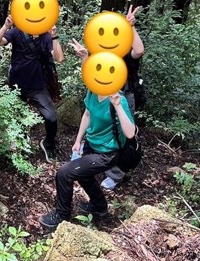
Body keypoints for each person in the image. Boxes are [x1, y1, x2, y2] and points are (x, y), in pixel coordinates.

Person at [39, 89, 135, 230]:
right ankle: (99, 205)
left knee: (64, 173)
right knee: (84, 175)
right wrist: (78, 140)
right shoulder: (93, 92)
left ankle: (62, 215)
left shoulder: (118, 98)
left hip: (107, 153)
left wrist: (118, 106)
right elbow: (87, 114)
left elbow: (130, 133)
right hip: (91, 145)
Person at [71, 5, 144, 190]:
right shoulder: (100, 52)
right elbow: (90, 74)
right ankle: (88, 158)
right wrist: (85, 57)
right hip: (100, 95)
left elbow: (139, 51)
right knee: (96, 121)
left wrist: (131, 26)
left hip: (123, 96)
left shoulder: (126, 50)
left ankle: (116, 174)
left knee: (124, 135)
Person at [0, 14, 65, 161]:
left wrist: (54, 36)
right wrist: (6, 26)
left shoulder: (46, 37)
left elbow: (59, 58)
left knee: (51, 118)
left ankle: (48, 144)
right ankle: (20, 145)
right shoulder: (17, 32)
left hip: (38, 85)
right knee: (17, 117)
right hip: (16, 85)